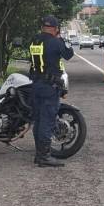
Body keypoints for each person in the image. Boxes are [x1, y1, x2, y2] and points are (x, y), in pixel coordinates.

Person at [28, 15, 74, 167]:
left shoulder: (34, 41)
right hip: (49, 87)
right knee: (47, 122)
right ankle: (44, 157)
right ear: (55, 29)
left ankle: (38, 155)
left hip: (35, 85)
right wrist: (62, 39)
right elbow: (69, 55)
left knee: (39, 121)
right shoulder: (55, 41)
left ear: (42, 27)